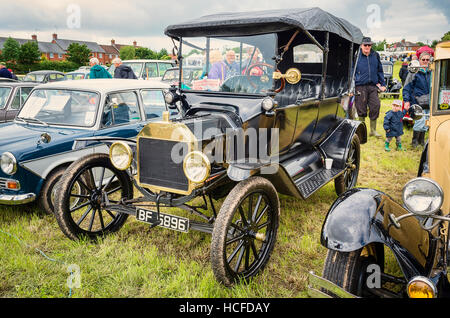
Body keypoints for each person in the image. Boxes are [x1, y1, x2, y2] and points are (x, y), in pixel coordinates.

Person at [353, 37, 386, 138]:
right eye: (365, 45)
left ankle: (373, 131)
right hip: (360, 86)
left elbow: (380, 70)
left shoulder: (375, 55)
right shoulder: (356, 55)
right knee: (361, 109)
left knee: (375, 106)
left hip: (373, 86)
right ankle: (361, 132)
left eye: (369, 45)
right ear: (361, 45)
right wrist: (351, 84)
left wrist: (383, 84)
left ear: (371, 45)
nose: (367, 47)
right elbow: (351, 70)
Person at [402, 49, 433, 148]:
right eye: (423, 59)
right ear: (419, 60)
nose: (425, 61)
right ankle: (414, 142)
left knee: (426, 123)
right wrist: (406, 101)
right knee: (419, 121)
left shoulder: (432, 72)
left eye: (427, 60)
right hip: (417, 101)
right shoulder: (414, 72)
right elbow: (406, 87)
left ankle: (421, 141)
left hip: (429, 101)